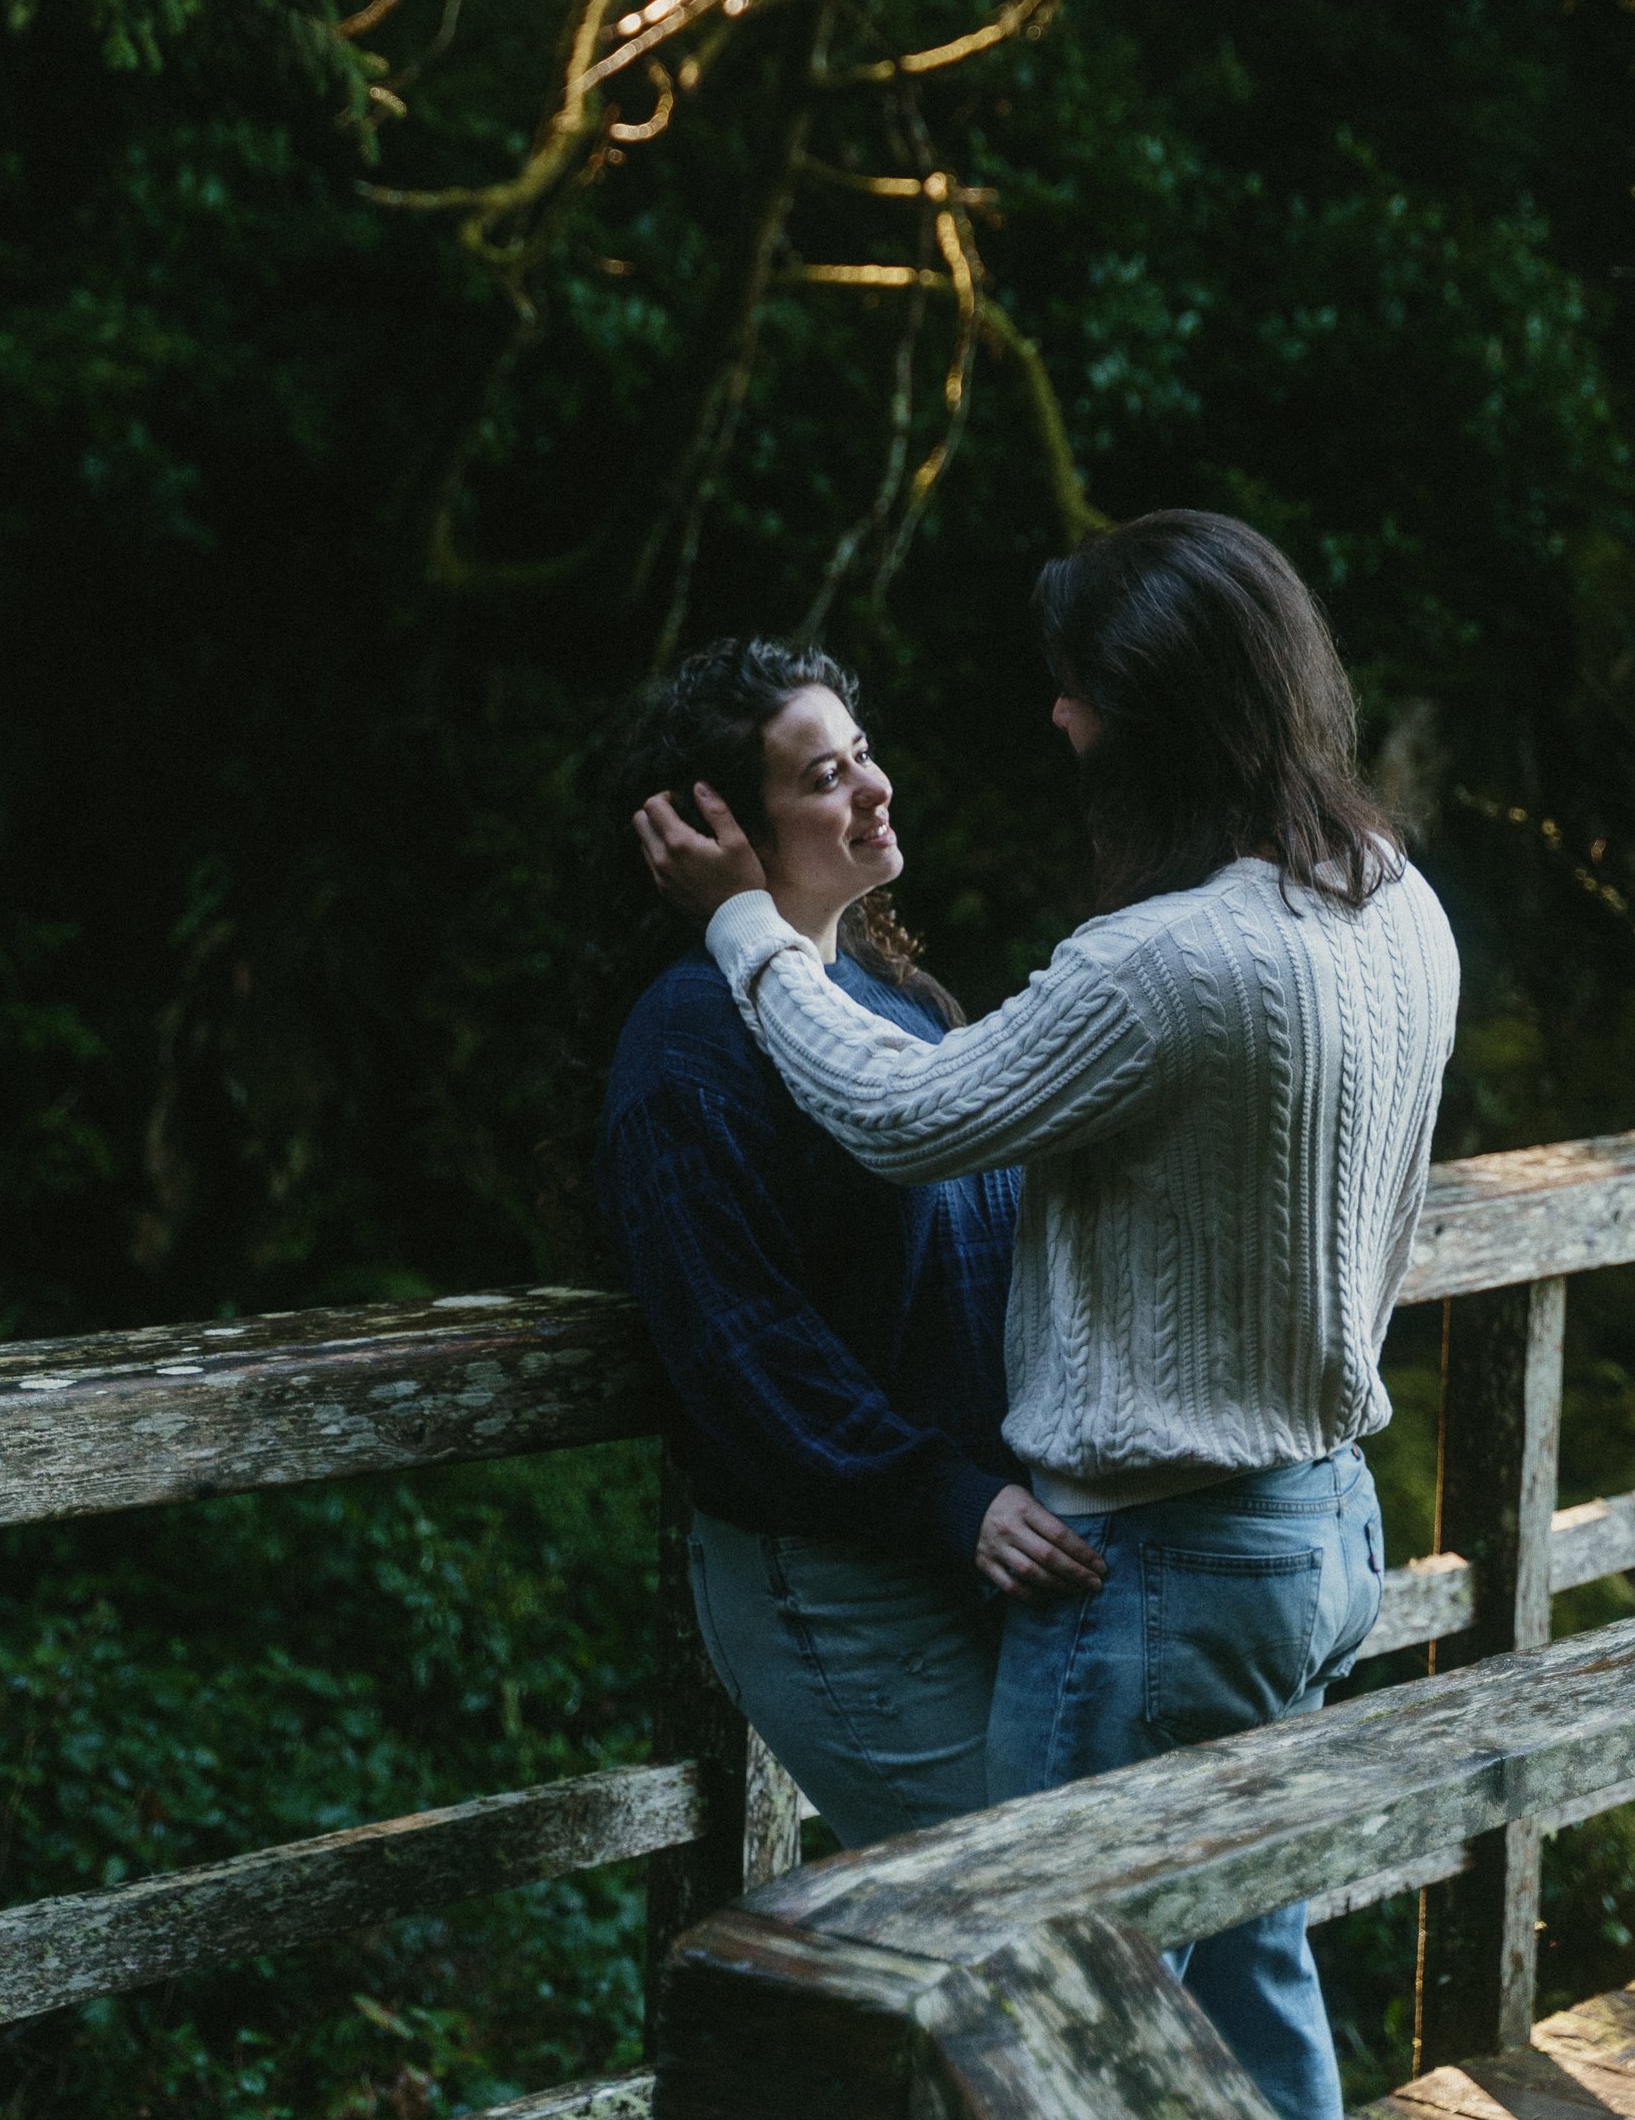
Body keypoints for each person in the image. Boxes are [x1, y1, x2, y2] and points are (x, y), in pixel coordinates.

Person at [634, 516, 1460, 2120]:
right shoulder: (1398, 908)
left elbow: (902, 1116)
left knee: (1064, 2033)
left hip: (1161, 1572)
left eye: (1079, 690)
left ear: (1155, 710)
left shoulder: (1163, 960)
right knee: (1240, 1961)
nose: (1059, 722)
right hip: (1318, 1530)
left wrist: (743, 925)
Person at [594, 637, 1104, 1856]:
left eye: (862, 753)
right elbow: (740, 1343)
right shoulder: (685, 1049)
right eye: (823, 777)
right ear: (723, 826)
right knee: (1020, 1909)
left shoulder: (895, 1003)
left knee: (1065, 1909)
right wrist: (943, 1496)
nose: (873, 786)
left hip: (981, 1543)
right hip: (839, 1572)